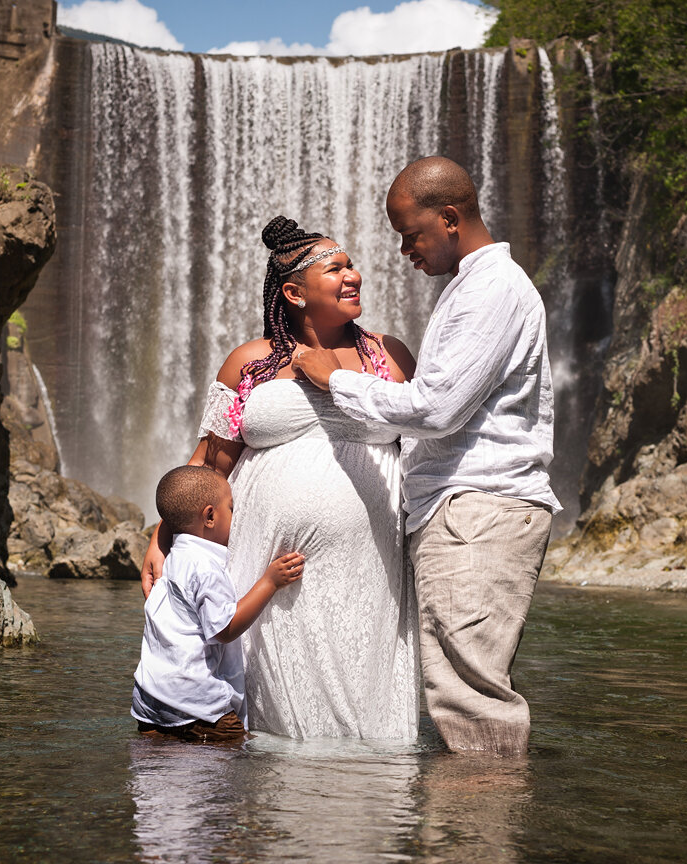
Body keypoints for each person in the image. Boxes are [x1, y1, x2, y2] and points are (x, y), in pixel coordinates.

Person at [292, 156, 560, 755]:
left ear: (449, 218)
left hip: (478, 512)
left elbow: (437, 409)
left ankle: (474, 833)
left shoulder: (491, 289)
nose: (403, 250)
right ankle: (468, 830)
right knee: (461, 692)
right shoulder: (473, 287)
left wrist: (333, 380)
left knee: (470, 696)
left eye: (410, 234)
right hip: (466, 513)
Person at [140, 216, 420, 739]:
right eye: (336, 268)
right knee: (275, 693)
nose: (352, 274)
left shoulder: (389, 356)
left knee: (364, 675)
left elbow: (425, 445)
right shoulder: (251, 363)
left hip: (369, 563)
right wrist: (164, 534)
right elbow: (209, 462)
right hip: (267, 561)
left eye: (351, 264)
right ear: (293, 291)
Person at [132, 464, 304, 742]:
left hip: (151, 703)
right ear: (210, 516)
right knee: (228, 764)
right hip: (198, 708)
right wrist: (269, 582)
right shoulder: (205, 567)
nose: (235, 517)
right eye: (232, 509)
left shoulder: (173, 559)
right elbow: (223, 629)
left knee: (162, 774)